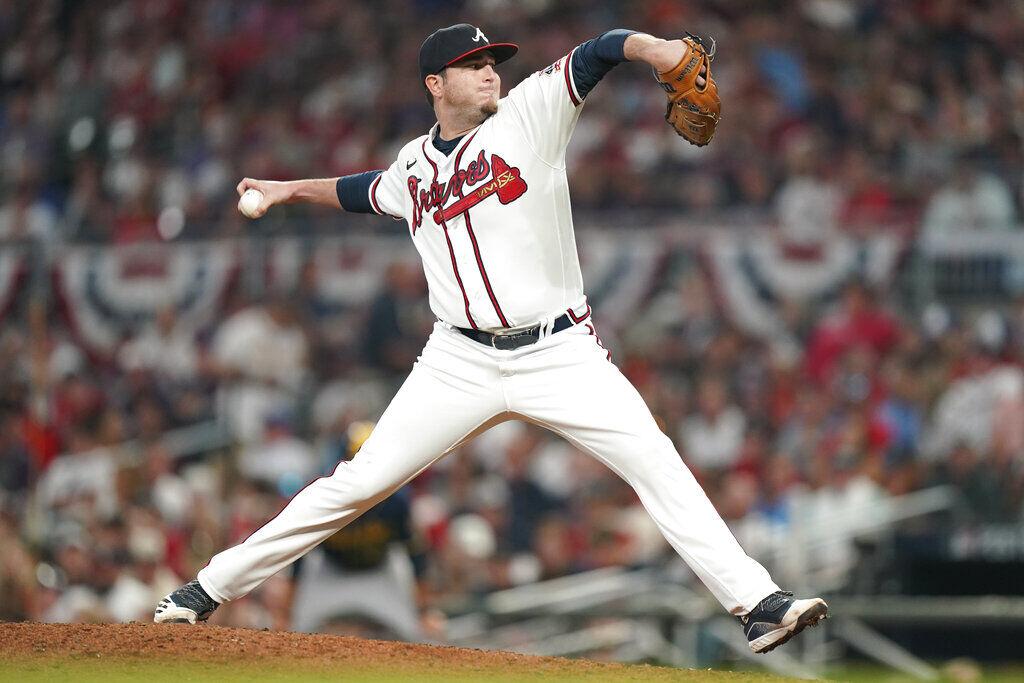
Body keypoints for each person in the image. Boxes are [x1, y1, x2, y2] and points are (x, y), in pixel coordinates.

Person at [155, 24, 827, 654]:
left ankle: (758, 604)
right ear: (433, 85)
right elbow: (365, 191)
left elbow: (599, 51)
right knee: (356, 483)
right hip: (458, 358)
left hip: (557, 349)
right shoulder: (414, 164)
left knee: (655, 459)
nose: (487, 74)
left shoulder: (532, 114)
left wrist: (656, 51)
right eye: (469, 66)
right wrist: (288, 189)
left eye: (490, 64)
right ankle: (204, 590)